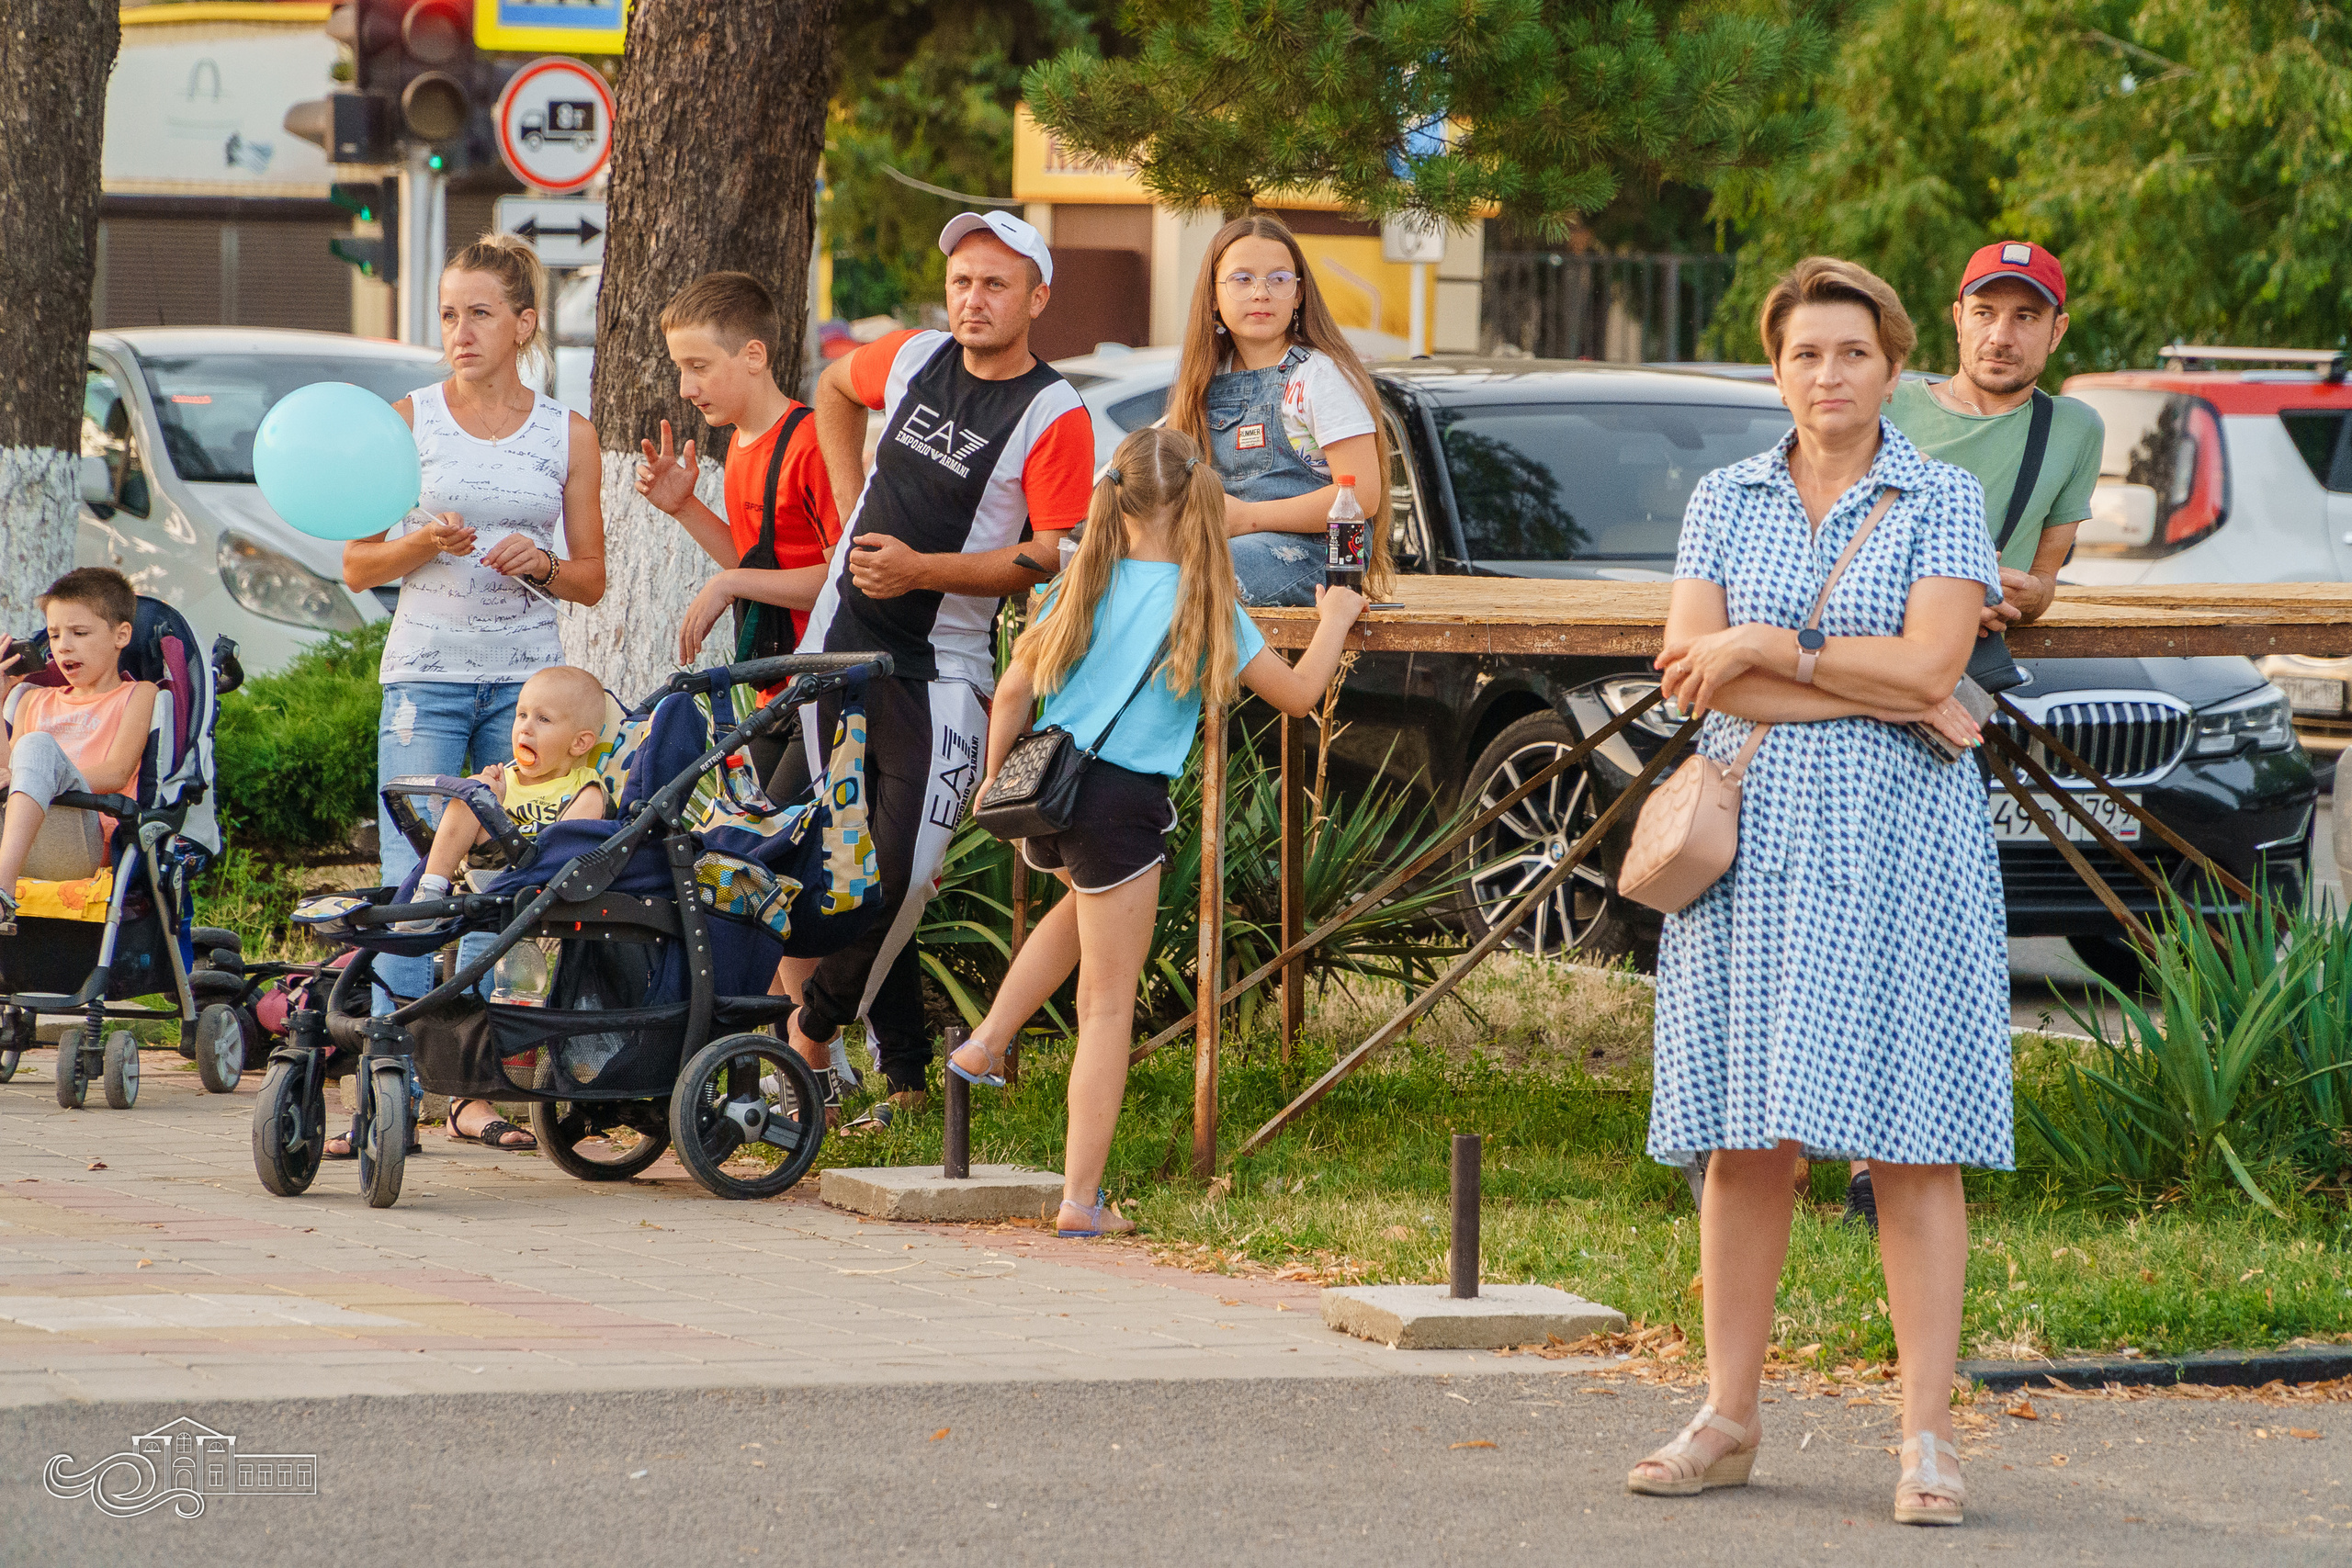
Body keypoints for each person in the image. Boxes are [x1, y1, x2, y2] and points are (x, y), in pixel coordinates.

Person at [1631, 258, 2007, 1527]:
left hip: (1905, 838)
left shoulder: (1943, 492)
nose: (1828, 375)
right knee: (1749, 1135)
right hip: (1758, 836)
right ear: (1775, 367)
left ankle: (1927, 1437)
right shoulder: (1723, 496)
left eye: (1852, 352)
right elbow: (1700, 678)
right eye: (1805, 354)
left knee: (1912, 1136)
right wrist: (1833, 674)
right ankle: (1728, 1413)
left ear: (1895, 364)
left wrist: (1774, 646)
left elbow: (1936, 663)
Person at [944, 427, 1366, 1235]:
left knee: (1077, 913)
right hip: (1119, 805)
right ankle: (1080, 1201)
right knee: (1106, 1007)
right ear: (1200, 501)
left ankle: (987, 1041)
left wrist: (994, 783)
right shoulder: (1207, 605)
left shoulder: (1080, 584)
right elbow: (1300, 695)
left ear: (1118, 498)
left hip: (1048, 797)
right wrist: (1337, 617)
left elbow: (1011, 693)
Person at [780, 210, 1093, 1127]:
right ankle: (810, 1057)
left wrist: (923, 573)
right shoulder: (914, 355)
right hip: (835, 642)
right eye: (961, 280)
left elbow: (1046, 555)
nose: (973, 298)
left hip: (943, 666)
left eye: (995, 284)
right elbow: (834, 388)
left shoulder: (1053, 411)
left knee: (907, 874)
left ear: (1035, 298)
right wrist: (848, 508)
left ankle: (810, 1039)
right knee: (797, 849)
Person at [1833, 241, 2105, 1230]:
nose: (2002, 334)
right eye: (1986, 311)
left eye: (2026, 316)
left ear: (2055, 331)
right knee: (1828, 911)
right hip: (1854, 668)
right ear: (1953, 317)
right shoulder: (1888, 403)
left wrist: (2013, 592)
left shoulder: (2070, 429)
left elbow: (2038, 583)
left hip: (1950, 688)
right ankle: (1763, 1144)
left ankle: (1882, 1160)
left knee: (1911, 922)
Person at [341, 231, 606, 1152]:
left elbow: (593, 579)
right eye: (450, 314)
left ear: (525, 323)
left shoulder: (566, 432)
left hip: (525, 685)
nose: (460, 331)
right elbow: (355, 562)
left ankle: (474, 1089)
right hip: (424, 675)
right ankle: (386, 1083)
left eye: (481, 313)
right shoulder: (408, 420)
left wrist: (544, 564)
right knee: (412, 877)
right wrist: (421, 546)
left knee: (508, 884)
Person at [1165, 214, 1393, 607]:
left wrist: (1246, 518)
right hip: (1225, 546)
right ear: (1212, 297)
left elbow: (1363, 497)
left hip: (1323, 557)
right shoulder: (1203, 381)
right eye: (1242, 279)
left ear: (1299, 294)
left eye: (1279, 279)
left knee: (1202, 577)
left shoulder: (1319, 377)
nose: (1261, 293)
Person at [633, 272, 841, 693]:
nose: (686, 388)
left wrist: (729, 584)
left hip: (824, 678)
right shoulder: (740, 442)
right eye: (680, 368)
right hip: (774, 684)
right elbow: (755, 562)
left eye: (698, 367)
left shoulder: (812, 444)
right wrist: (684, 508)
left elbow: (842, 580)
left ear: (753, 356)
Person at [0, 568, 160, 933]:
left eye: (79, 633)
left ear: (121, 635)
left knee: (37, 746)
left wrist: (43, 777)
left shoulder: (139, 695)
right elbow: (8, 775)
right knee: (26, 758)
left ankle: (1, 892)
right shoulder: (31, 700)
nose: (63, 646)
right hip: (18, 838)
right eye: (54, 635)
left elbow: (117, 772)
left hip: (83, 841)